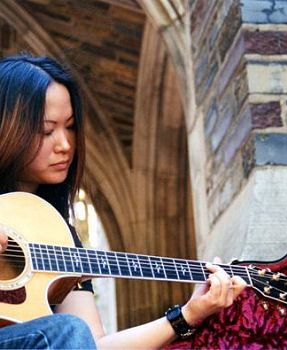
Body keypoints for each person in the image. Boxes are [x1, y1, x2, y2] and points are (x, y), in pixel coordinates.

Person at [0, 53, 246, 349]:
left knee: (71, 332)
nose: (65, 145)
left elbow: (92, 344)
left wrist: (188, 314)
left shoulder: (58, 236)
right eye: (47, 131)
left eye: (71, 126)